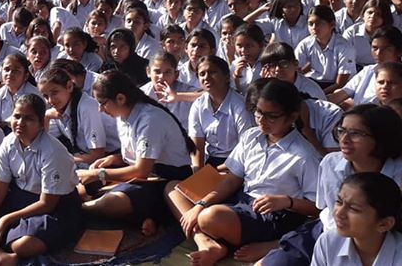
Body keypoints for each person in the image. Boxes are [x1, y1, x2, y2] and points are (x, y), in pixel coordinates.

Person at [171, 79, 321, 266]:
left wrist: (287, 201)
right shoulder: (252, 136)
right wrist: (201, 203)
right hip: (241, 199)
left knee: (209, 217)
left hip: (271, 214)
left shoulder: (304, 156)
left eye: (271, 116)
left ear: (291, 117)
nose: (262, 121)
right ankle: (206, 242)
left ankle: (224, 236)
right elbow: (233, 179)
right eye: (258, 113)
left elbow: (317, 208)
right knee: (174, 191)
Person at [261, 104, 402, 266]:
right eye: (342, 131)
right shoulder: (330, 163)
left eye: (356, 134)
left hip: (374, 243)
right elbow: (324, 209)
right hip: (327, 231)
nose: (344, 140)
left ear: (380, 138)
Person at [0, 94, 82, 265]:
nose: (20, 123)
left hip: (55, 206)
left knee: (23, 246)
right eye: (17, 116)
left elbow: (47, 203)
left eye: (29, 119)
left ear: (42, 124)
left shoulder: (53, 152)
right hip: (19, 196)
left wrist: (4, 220)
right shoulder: (9, 143)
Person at [79, 71, 196, 235]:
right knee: (84, 185)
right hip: (145, 176)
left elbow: (142, 170)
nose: (100, 109)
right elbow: (136, 155)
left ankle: (82, 208)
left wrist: (100, 174)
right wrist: (114, 159)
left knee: (112, 202)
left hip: (165, 178)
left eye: (103, 103)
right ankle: (149, 216)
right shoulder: (123, 115)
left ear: (120, 98)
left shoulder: (149, 119)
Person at [311, 173, 402, 266]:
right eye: (339, 202)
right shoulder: (328, 242)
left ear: (384, 224)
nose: (339, 213)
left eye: (353, 208)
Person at [187, 56, 254, 168]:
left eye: (212, 72)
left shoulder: (240, 106)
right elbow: (197, 146)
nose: (206, 77)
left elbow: (246, 148)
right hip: (211, 162)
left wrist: (218, 171)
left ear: (227, 77)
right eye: (202, 74)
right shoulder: (198, 105)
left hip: (238, 163)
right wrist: (198, 174)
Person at [0, 54, 41, 132]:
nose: (10, 74)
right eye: (6, 69)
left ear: (25, 76)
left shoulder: (34, 95)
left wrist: (5, 124)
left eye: (16, 70)